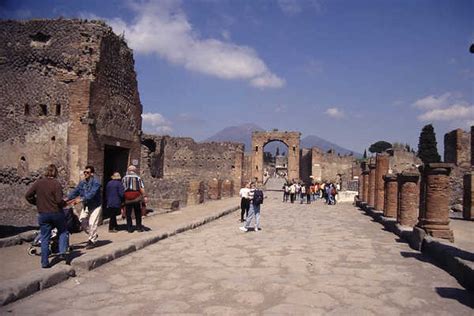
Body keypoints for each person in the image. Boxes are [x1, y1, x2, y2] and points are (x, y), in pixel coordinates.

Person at [25, 164, 69, 268]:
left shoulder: (38, 183)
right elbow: (58, 201)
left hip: (43, 214)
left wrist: (36, 202)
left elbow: (27, 195)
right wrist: (64, 203)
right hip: (56, 213)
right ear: (55, 173)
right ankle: (62, 252)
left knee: (45, 237)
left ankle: (44, 262)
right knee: (63, 231)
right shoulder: (56, 184)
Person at [67, 165, 102, 249]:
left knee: (92, 223)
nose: (85, 174)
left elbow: (91, 194)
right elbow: (76, 191)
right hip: (86, 206)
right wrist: (67, 198)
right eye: (84, 172)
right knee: (82, 222)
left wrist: (80, 199)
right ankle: (93, 234)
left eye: (87, 172)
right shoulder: (82, 182)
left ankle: (91, 241)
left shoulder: (96, 182)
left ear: (92, 174)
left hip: (95, 205)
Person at [122, 165, 147, 233]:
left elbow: (123, 188)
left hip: (127, 197)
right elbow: (141, 187)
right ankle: (138, 227)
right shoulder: (138, 178)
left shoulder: (124, 178)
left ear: (129, 170)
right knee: (137, 212)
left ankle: (129, 228)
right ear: (135, 170)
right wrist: (144, 196)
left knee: (128, 213)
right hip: (136, 197)